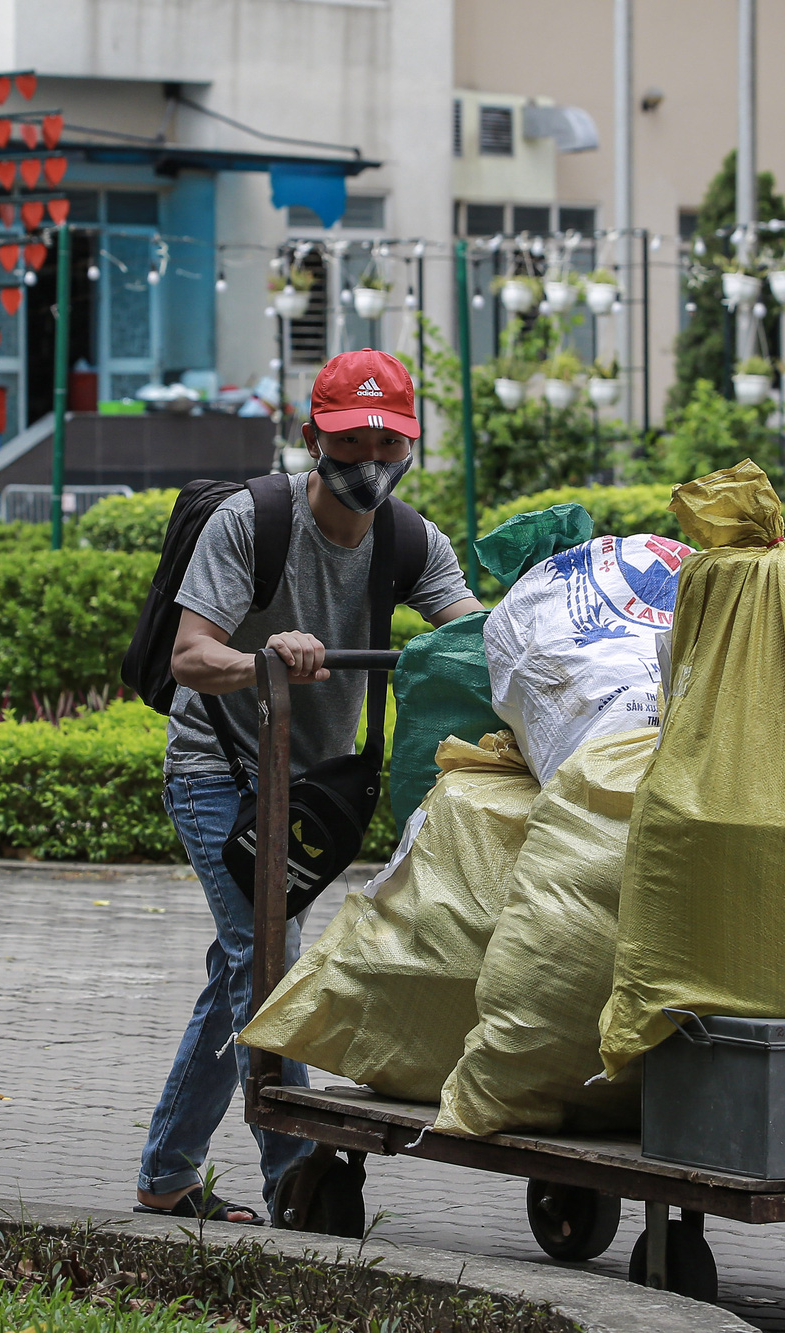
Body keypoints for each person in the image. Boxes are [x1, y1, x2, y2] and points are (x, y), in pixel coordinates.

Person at [135, 349, 483, 1224]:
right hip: (220, 766)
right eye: (351, 440)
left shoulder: (409, 540)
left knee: (245, 971)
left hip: (312, 780)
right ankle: (297, 1172)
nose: (369, 462)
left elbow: (480, 640)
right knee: (269, 963)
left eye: (386, 443)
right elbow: (189, 655)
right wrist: (264, 658)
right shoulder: (253, 521)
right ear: (311, 439)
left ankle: (167, 1174)